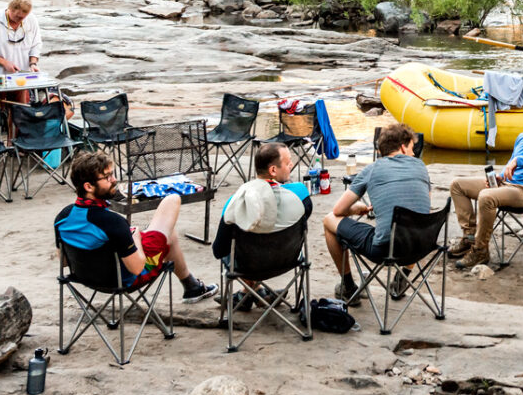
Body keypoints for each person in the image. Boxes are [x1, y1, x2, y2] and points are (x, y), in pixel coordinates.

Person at [55, 150, 219, 303]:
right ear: (88, 187)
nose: (114, 180)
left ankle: (192, 286)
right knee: (172, 201)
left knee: (167, 226)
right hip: (124, 280)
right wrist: (134, 235)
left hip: (85, 278)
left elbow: (63, 262)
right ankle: (192, 287)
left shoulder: (63, 217)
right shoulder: (113, 223)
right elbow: (137, 268)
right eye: (107, 177)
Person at [448, 98, 523, 271]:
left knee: (486, 197)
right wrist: (500, 176)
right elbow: (510, 165)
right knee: (457, 185)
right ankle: (470, 237)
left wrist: (518, 160)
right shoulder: (521, 138)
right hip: (506, 185)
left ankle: (480, 251)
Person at [323, 124, 432, 302]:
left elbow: (338, 211)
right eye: (412, 149)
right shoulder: (421, 167)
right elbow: (424, 210)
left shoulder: (372, 169)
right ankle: (401, 279)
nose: (413, 154)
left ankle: (348, 286)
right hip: (421, 246)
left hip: (384, 251)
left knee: (329, 220)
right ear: (403, 147)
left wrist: (357, 209)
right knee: (413, 221)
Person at [213, 143, 312, 310]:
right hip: (287, 258)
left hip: (248, 265)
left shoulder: (235, 203)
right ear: (273, 170)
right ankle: (258, 293)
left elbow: (219, 251)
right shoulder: (300, 194)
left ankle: (248, 293)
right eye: (288, 163)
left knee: (231, 249)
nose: (292, 165)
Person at [0, 0, 42, 75]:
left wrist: (33, 63)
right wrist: (4, 63)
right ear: (10, 9)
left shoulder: (31, 19)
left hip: (24, 74)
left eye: (23, 18)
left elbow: (36, 44)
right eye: (17, 17)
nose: (20, 20)